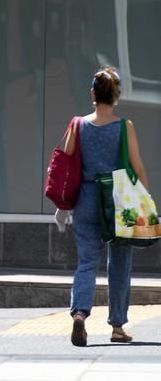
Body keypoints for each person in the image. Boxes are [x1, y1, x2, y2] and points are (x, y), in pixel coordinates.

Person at [58, 66, 148, 347]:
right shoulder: (124, 127)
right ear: (117, 96)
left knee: (86, 262)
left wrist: (63, 204)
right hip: (119, 201)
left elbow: (65, 164)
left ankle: (80, 314)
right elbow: (138, 167)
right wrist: (145, 203)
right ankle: (118, 327)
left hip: (85, 198)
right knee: (119, 265)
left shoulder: (77, 125)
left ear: (92, 94)